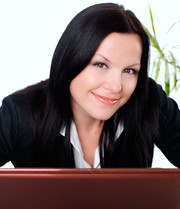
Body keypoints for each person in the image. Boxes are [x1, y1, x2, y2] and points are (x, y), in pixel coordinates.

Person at [0, 3, 180, 168]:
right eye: (101, 65)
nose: (116, 86)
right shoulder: (19, 113)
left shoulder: (149, 100)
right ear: (70, 61)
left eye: (129, 71)